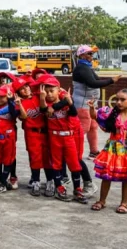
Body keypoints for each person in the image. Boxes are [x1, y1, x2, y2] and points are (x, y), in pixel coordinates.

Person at [38, 75, 87, 203]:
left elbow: (73, 112)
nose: (49, 94)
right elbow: (43, 110)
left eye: (51, 91)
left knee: (74, 163)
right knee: (56, 163)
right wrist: (42, 98)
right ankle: (59, 187)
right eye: (47, 91)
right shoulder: (46, 103)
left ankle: (77, 189)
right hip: (54, 138)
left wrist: (69, 102)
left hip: (69, 137)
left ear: (58, 90)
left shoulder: (64, 101)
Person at [72, 45, 119, 159]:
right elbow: (92, 83)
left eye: (92, 53)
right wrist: (111, 80)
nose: (91, 56)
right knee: (83, 129)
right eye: (89, 54)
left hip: (89, 104)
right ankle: (72, 153)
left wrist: (109, 80)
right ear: (82, 55)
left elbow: (96, 80)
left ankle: (94, 152)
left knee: (93, 127)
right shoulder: (82, 68)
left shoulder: (86, 67)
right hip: (82, 104)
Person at [0, 85, 25, 194]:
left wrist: (11, 99)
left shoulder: (13, 106)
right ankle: (1, 182)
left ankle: (2, 183)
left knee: (8, 160)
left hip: (8, 138)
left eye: (2, 96)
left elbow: (13, 111)